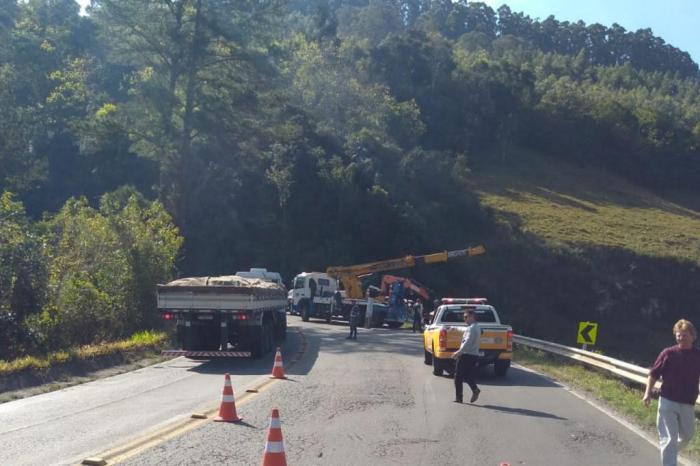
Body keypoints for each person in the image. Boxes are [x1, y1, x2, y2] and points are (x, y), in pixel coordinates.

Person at [643, 319, 700, 466]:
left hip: (687, 402)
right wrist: (647, 393)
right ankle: (669, 456)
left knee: (688, 435)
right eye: (678, 335)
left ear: (693, 336)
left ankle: (670, 451)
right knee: (669, 438)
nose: (681, 338)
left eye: (684, 335)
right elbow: (654, 374)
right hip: (668, 400)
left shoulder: (697, 356)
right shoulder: (668, 353)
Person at [452, 309, 480, 403]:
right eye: (464, 317)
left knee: (458, 376)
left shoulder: (471, 328)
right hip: (473, 355)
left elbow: (467, 343)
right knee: (467, 375)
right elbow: (465, 330)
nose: (464, 319)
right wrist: (455, 328)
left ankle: (459, 398)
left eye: (466, 317)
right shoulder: (476, 327)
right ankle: (475, 390)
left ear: (472, 317)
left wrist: (458, 352)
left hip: (466, 355)